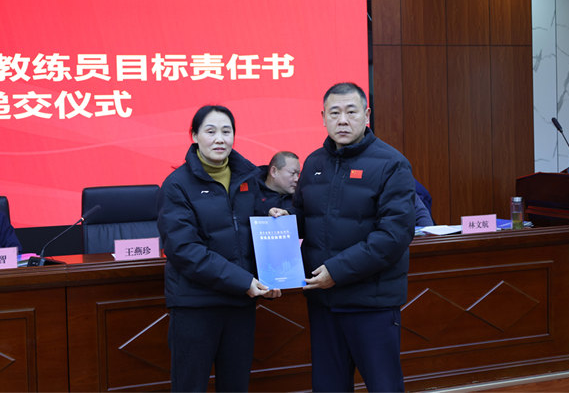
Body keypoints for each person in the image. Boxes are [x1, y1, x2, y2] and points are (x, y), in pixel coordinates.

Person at [294, 82, 415, 392]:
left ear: (367, 114)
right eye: (334, 113)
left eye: (351, 112)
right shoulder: (313, 163)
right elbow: (303, 220)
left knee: (383, 386)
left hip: (371, 303)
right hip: (324, 303)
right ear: (323, 117)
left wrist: (337, 271)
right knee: (328, 387)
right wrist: (281, 220)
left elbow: (394, 235)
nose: (343, 120)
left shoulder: (392, 164)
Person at [157, 105, 282, 392]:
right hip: (196, 305)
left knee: (236, 385)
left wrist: (271, 219)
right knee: (190, 386)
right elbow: (184, 250)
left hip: (240, 303)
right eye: (210, 131)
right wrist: (244, 281)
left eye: (226, 131)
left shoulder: (248, 178)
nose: (219, 139)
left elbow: (252, 231)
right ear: (194, 136)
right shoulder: (176, 186)